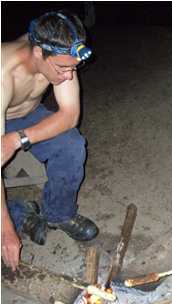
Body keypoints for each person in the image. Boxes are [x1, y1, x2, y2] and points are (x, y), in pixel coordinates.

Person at [1, 10, 99, 271]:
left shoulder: (61, 54)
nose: (69, 75)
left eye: (74, 68)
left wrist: (17, 139)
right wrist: (6, 232)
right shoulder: (3, 73)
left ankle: (58, 213)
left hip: (25, 118)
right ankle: (17, 214)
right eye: (63, 68)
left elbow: (69, 115)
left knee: (71, 145)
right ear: (37, 53)